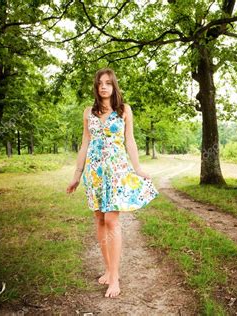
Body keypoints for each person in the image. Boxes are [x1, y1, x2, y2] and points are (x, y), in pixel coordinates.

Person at [66, 67, 159, 298]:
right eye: (100, 83)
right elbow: (84, 144)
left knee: (111, 220)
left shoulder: (124, 110)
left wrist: (138, 169)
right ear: (96, 87)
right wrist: (77, 175)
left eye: (108, 82)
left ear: (113, 85)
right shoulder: (88, 112)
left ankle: (115, 277)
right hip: (95, 173)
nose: (104, 86)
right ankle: (108, 269)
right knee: (99, 219)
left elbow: (131, 142)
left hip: (116, 171)